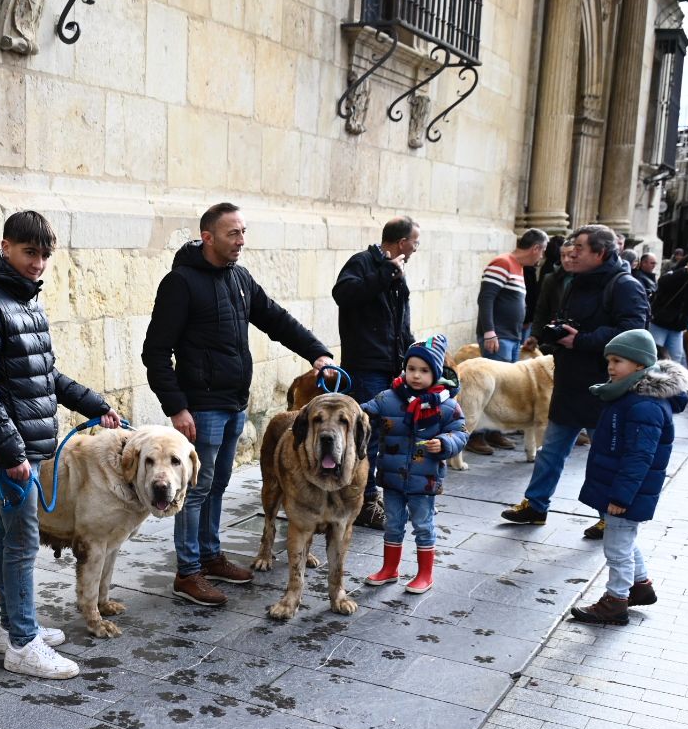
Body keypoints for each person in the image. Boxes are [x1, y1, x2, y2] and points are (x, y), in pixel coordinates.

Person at [143, 202, 333, 608]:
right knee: (194, 490)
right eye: (233, 233)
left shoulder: (240, 278)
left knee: (217, 484)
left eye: (244, 232)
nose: (241, 240)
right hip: (201, 408)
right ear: (208, 237)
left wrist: (317, 353)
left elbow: (277, 319)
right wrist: (177, 407)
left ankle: (210, 556)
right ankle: (188, 572)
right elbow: (155, 352)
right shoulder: (180, 283)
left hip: (234, 405)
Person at [0, 210, 121, 680]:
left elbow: (46, 376)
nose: (38, 263)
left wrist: (95, 405)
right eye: (30, 252)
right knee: (23, 543)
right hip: (14, 451)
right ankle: (23, 643)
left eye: (45, 255)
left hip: (27, 447)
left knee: (10, 537)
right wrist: (11, 454)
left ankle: (12, 628)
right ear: (6, 247)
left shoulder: (25, 300)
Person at [502, 224, 649, 537]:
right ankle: (535, 505)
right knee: (551, 451)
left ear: (601, 253)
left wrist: (581, 339)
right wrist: (555, 333)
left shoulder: (625, 285)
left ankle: (609, 516)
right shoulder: (575, 280)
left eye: (579, 248)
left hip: (606, 387)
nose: (571, 252)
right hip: (570, 381)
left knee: (605, 455)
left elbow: (634, 333)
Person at [569, 329, 688, 626]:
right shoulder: (628, 394)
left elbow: (639, 456)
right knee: (623, 537)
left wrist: (621, 496)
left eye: (618, 361)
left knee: (617, 547)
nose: (610, 367)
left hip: (626, 491)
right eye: (609, 360)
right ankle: (640, 586)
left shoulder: (644, 404)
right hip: (619, 486)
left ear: (639, 364)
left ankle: (615, 601)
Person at [363, 334, 469, 594]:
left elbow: (460, 432)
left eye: (424, 370)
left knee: (423, 525)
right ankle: (390, 568)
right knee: (393, 523)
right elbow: (362, 412)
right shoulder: (388, 398)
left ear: (436, 373)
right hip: (392, 477)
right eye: (411, 368)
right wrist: (341, 405)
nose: (416, 375)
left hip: (424, 480)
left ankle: (425, 574)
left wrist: (444, 443)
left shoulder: (447, 406)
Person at [333, 217, 418, 530]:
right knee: (365, 435)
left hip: (390, 367)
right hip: (365, 368)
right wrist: (384, 273)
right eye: (415, 243)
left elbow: (400, 323)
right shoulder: (363, 263)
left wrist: (412, 356)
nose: (416, 249)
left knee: (379, 433)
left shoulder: (395, 274)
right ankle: (363, 501)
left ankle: (365, 493)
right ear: (401, 243)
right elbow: (343, 294)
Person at [467, 228, 548, 455]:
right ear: (536, 248)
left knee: (504, 389)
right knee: (490, 389)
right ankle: (475, 436)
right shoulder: (502, 263)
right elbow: (486, 299)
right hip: (499, 337)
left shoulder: (518, 267)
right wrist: (489, 332)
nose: (541, 257)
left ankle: (494, 432)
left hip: (511, 338)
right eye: (542, 251)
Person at [649, 252, 688, 364]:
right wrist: (685, 272)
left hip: (677, 327)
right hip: (660, 323)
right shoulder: (674, 274)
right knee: (653, 355)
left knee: (676, 357)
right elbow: (663, 282)